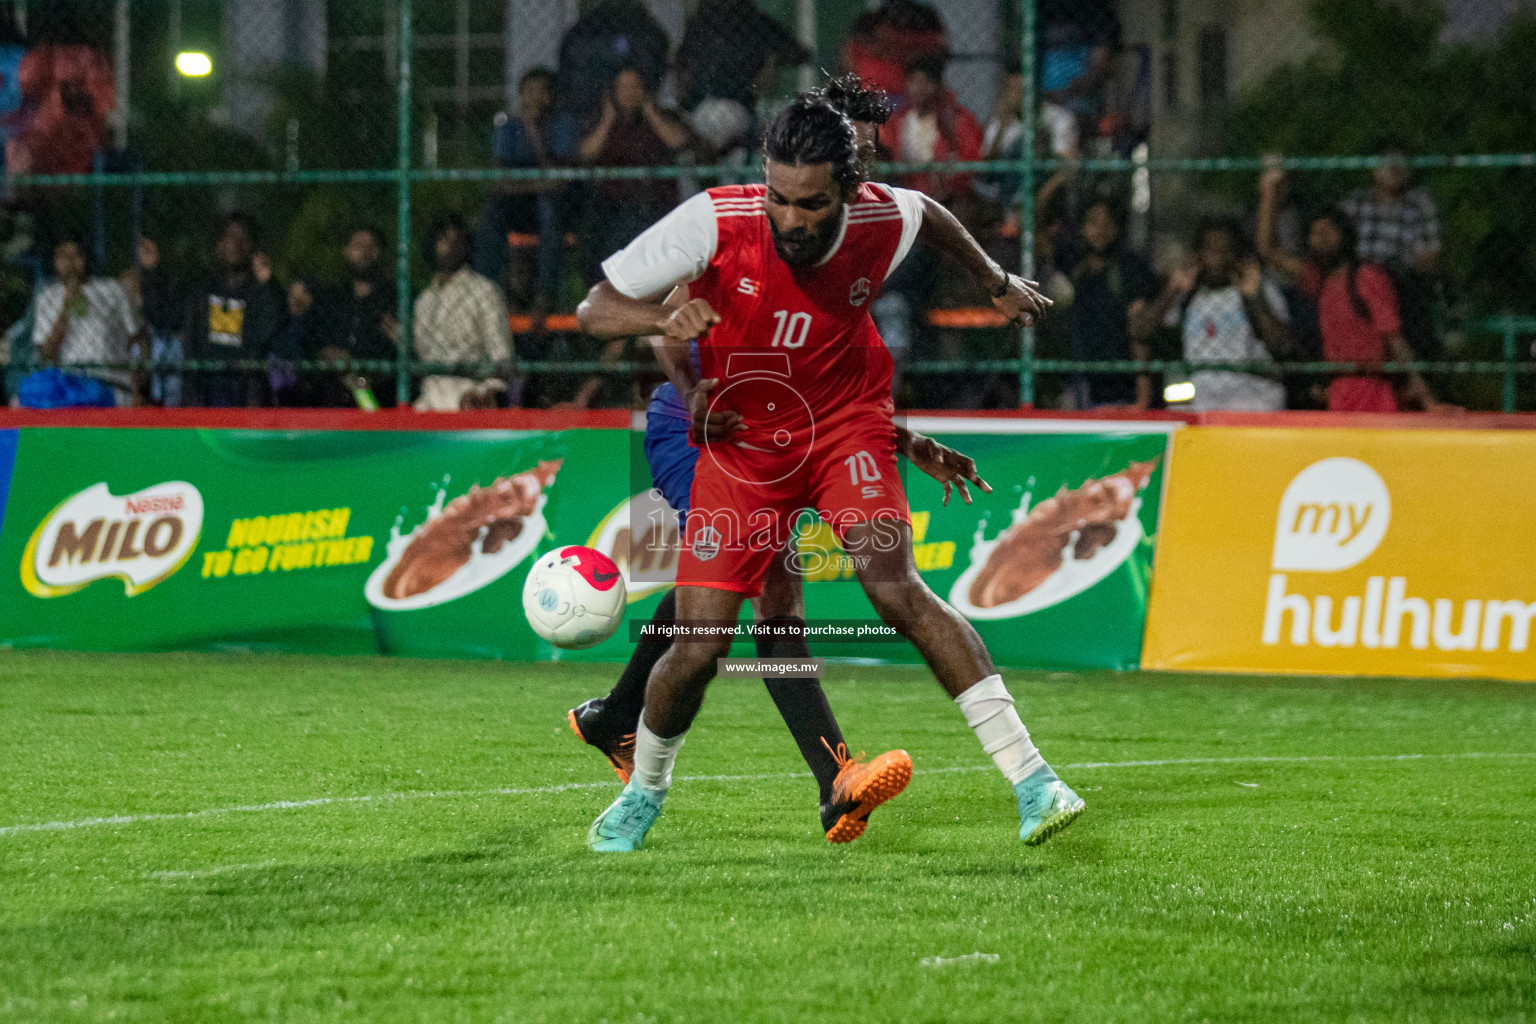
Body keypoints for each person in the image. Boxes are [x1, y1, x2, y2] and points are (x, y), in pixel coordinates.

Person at [573, 96, 1079, 854]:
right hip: (743, 449)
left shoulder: (883, 218)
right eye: (778, 197)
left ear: (849, 191)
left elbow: (930, 213)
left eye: (810, 204)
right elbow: (595, 306)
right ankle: (644, 790)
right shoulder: (715, 220)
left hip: (846, 431)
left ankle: (1034, 780)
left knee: (895, 587)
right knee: (700, 642)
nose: (790, 218)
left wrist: (993, 278)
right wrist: (660, 323)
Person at [1148, 218, 1291, 413]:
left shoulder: (1262, 291)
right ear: (1198, 255)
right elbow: (1142, 331)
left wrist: (1254, 298)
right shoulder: (1188, 296)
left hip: (1256, 407)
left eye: (1225, 250)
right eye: (1210, 250)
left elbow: (1281, 345)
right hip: (1203, 410)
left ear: (1237, 254)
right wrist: (1172, 291)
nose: (1217, 257)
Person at [477, 67, 579, 312]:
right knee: (491, 214)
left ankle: (545, 295)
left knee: (549, 208)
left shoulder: (562, 124)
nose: (534, 98)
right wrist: (537, 183)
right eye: (528, 92)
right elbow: (499, 181)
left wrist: (534, 132)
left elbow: (560, 179)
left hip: (551, 204)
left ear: (551, 96)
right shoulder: (508, 127)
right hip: (517, 203)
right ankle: (486, 292)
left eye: (541, 92)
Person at [579, 66, 692, 284]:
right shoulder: (602, 119)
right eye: (623, 87)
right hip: (612, 203)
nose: (629, 93)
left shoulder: (663, 115)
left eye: (635, 87)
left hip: (654, 201)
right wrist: (608, 119)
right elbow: (587, 152)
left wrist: (650, 112)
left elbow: (677, 142)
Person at [1339, 144, 1443, 359]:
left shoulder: (1420, 204)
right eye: (1388, 164)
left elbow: (1430, 258)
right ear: (1375, 170)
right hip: (1361, 282)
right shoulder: (1357, 201)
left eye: (1401, 165)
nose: (1395, 171)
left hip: (1402, 281)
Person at [286, 226, 399, 408]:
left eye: (370, 246)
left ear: (379, 253)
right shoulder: (333, 298)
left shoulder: (393, 299)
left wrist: (356, 370)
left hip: (373, 396)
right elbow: (313, 342)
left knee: (365, 393)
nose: (364, 252)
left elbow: (392, 355)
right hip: (331, 395)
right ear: (346, 251)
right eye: (358, 245)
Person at [413, 212, 515, 412]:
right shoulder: (424, 300)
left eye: (457, 241)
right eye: (443, 240)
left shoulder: (483, 290)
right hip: (429, 400)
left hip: (471, 397)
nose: (450, 247)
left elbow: (501, 355)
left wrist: (485, 391)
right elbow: (424, 356)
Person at [183, 213, 286, 408]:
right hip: (208, 387)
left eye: (243, 238)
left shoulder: (260, 290)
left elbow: (275, 326)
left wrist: (268, 282)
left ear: (251, 248)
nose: (236, 244)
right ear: (220, 245)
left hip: (246, 389)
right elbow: (190, 341)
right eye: (230, 237)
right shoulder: (204, 290)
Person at [31, 236, 143, 406]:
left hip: (112, 384)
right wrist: (66, 307)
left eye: (76, 256)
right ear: (55, 261)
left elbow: (135, 338)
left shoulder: (110, 290)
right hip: (72, 387)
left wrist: (138, 389)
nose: (70, 262)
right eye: (63, 256)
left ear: (86, 258)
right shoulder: (47, 297)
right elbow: (47, 352)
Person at [1067, 199, 1155, 409]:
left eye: (1107, 223)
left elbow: (1139, 333)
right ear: (1082, 227)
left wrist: (1142, 399)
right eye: (1093, 223)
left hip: (1122, 390)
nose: (1100, 230)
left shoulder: (1129, 267)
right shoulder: (1076, 266)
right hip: (1083, 385)